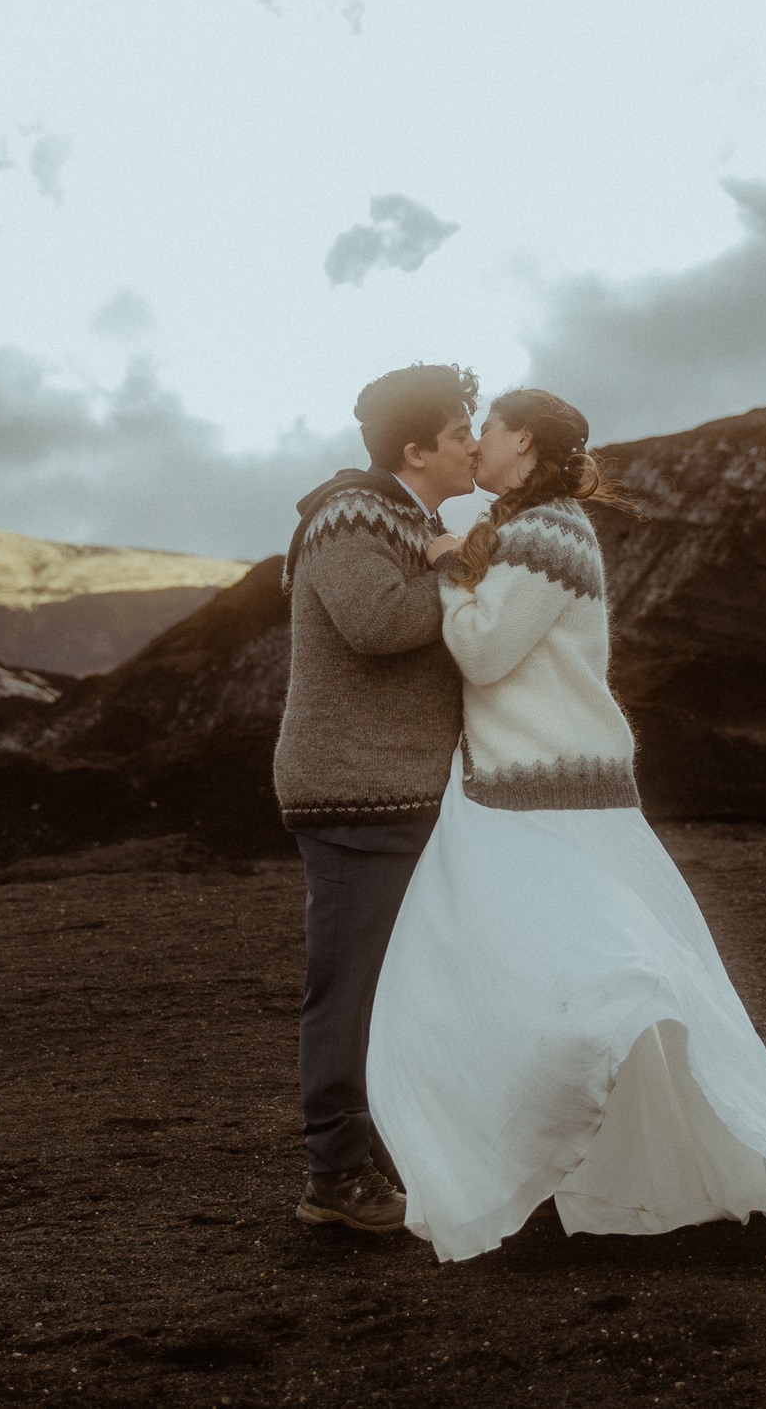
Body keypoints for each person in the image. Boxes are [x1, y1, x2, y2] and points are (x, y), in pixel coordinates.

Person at [365, 388, 766, 1276]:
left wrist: (445, 570)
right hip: (525, 787)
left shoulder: (546, 533)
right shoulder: (527, 529)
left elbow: (483, 651)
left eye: (492, 430)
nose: (478, 445)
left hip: (547, 794)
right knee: (539, 969)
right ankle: (587, 1156)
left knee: (551, 971)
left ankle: (569, 1153)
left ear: (528, 447)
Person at [276, 362, 480, 1232]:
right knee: (352, 985)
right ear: (416, 448)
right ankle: (336, 1174)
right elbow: (376, 622)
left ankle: (381, 1157)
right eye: (463, 429)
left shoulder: (407, 515)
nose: (475, 442)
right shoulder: (352, 512)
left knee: (406, 985)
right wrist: (461, 575)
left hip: (396, 787)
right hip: (356, 791)